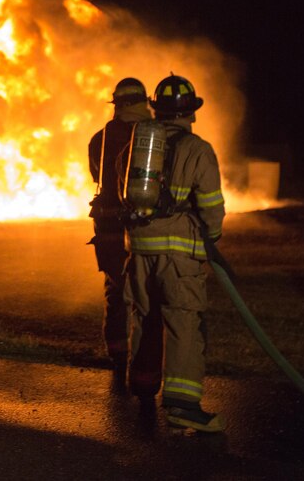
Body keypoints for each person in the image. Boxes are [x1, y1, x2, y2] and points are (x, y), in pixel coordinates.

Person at [118, 74, 226, 432]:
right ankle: (182, 406)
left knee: (145, 316)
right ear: (191, 113)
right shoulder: (198, 149)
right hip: (179, 255)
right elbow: (211, 205)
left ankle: (144, 385)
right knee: (182, 322)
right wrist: (211, 236)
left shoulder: (137, 145)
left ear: (156, 109)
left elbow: (125, 189)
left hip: (140, 248)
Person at [87, 77, 152, 369]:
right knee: (147, 290)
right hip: (144, 224)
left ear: (117, 104)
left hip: (108, 224)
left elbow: (97, 176)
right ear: (143, 101)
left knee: (115, 288)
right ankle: (147, 359)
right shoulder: (153, 136)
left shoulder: (99, 139)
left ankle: (117, 352)